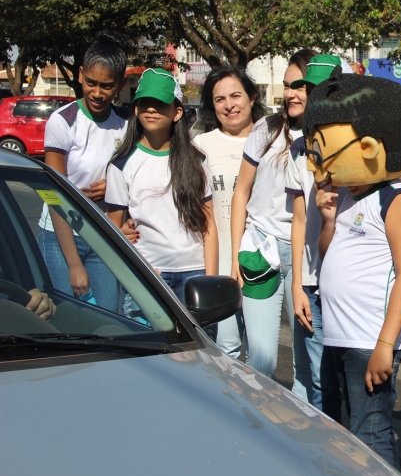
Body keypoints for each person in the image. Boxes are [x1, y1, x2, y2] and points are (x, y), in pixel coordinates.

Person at [305, 68, 401, 467]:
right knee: (347, 435)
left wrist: (386, 345)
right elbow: (327, 255)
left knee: (371, 437)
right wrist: (327, 222)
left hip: (368, 340)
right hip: (340, 335)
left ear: (371, 147)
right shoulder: (346, 197)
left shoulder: (398, 199)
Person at [106, 68, 218, 334]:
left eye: (160, 103)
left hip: (195, 274)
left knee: (199, 364)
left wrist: (210, 279)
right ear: (135, 109)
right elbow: (112, 231)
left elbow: (208, 227)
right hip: (148, 276)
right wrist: (122, 238)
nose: (151, 109)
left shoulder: (197, 161)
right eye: (144, 102)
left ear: (176, 112)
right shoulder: (120, 165)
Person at [229, 49, 316, 379]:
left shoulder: (327, 137)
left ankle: (301, 431)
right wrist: (237, 255)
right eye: (287, 85)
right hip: (260, 252)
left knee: (304, 365)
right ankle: (256, 427)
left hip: (305, 257)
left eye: (300, 86)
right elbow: (241, 192)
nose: (291, 94)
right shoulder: (265, 128)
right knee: (261, 363)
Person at [39, 31, 129, 312]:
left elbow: (135, 179)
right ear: (80, 75)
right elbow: (53, 193)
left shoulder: (126, 124)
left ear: (120, 85)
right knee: (69, 321)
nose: (98, 93)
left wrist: (115, 189)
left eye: (107, 85)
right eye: (91, 83)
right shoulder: (62, 122)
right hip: (60, 236)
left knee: (109, 319)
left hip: (104, 237)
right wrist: (74, 264)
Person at [284, 55, 349, 415]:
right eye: (310, 90)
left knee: (352, 379)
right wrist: (297, 285)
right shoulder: (297, 151)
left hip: (352, 283)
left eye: (325, 92)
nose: (315, 98)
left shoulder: (359, 144)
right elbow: (297, 221)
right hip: (312, 282)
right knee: (322, 381)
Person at [195, 66, 266, 359]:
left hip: (265, 260)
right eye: (220, 99)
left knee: (263, 353)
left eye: (236, 96)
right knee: (226, 348)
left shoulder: (271, 140)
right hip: (222, 261)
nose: (229, 105)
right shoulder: (201, 145)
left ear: (251, 98)